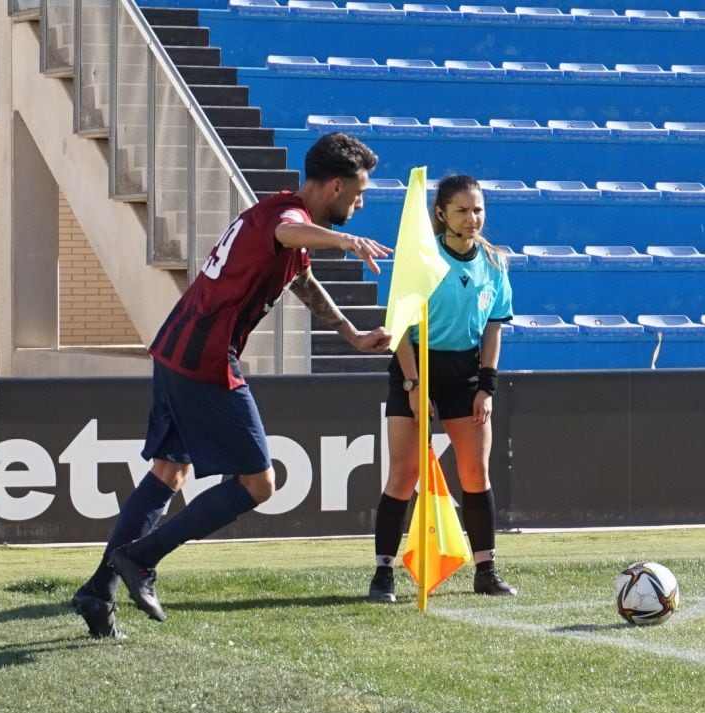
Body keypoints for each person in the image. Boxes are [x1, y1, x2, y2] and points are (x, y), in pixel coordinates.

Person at [70, 132, 392, 637]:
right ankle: (142, 560)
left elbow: (299, 277)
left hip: (176, 346)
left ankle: (98, 592)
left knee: (167, 473)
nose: (361, 201)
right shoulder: (286, 219)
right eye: (358, 192)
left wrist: (349, 332)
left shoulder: (279, 213)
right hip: (204, 357)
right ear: (334, 186)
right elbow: (290, 235)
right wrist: (346, 241)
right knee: (259, 484)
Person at [368, 174, 516, 603]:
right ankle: (383, 576)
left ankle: (485, 569)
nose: (473, 219)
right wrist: (415, 384)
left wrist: (486, 387)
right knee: (403, 475)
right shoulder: (421, 258)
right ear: (440, 213)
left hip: (465, 373)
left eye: (479, 210)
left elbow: (493, 327)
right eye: (463, 210)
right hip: (416, 364)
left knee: (475, 473)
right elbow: (399, 328)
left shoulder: (494, 262)